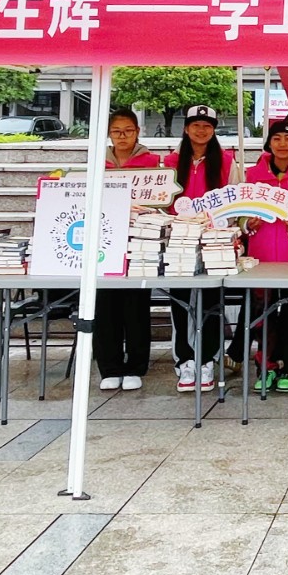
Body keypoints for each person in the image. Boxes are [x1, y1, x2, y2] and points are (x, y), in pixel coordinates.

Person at [164, 103, 240, 392]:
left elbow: (236, 202)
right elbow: (160, 202)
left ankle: (207, 359)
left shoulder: (226, 162)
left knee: (211, 303)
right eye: (196, 125)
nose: (201, 130)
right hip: (178, 245)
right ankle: (185, 360)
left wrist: (221, 227)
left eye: (207, 126)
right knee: (180, 302)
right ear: (186, 128)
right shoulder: (170, 162)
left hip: (213, 244)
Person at [238, 120, 288, 392]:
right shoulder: (253, 174)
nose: (283, 144)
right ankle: (266, 367)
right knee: (263, 314)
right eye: (277, 138)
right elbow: (239, 215)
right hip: (261, 256)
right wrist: (247, 224)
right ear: (269, 143)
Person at [93, 108, 161, 392]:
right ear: (109, 133)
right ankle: (109, 367)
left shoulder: (152, 163)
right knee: (104, 307)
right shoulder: (96, 161)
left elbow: (163, 201)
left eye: (128, 131)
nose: (123, 136)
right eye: (117, 131)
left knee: (136, 307)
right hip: (104, 243)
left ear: (137, 132)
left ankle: (135, 366)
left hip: (138, 242)